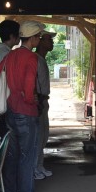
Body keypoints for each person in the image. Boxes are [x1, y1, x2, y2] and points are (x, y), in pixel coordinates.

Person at [0, 20, 44, 192]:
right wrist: (30, 99)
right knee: (27, 154)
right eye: (40, 36)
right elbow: (29, 83)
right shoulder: (31, 58)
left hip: (10, 111)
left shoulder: (11, 55)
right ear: (33, 38)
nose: (40, 39)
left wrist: (9, 93)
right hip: (26, 111)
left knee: (11, 155)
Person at [34, 29, 56, 180]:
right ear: (40, 41)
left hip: (43, 100)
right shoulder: (35, 59)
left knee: (43, 135)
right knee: (38, 135)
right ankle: (35, 167)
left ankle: (39, 165)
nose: (52, 42)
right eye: (49, 39)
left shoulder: (41, 59)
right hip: (38, 101)